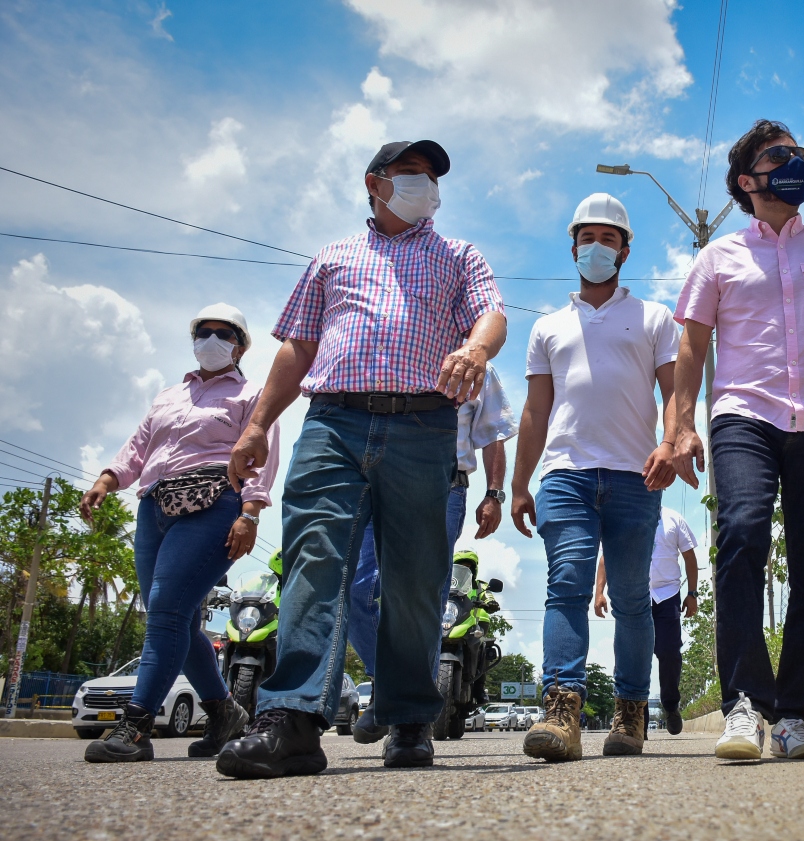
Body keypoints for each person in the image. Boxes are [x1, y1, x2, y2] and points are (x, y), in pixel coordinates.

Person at [216, 139, 506, 778]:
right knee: (314, 559)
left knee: (413, 579)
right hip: (334, 424)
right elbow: (298, 347)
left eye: (431, 177)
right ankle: (292, 718)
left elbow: (492, 315)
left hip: (422, 426)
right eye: (410, 174)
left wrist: (478, 351)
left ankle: (409, 721)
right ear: (374, 183)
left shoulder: (458, 255)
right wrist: (258, 423)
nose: (424, 185)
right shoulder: (332, 257)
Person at [671, 120, 804, 760]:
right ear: (747, 179)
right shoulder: (719, 256)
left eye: (798, 155)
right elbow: (691, 344)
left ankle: (791, 715)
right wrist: (680, 426)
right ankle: (744, 707)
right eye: (778, 156)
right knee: (740, 536)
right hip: (745, 415)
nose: (793, 164)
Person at [511, 193, 678, 762]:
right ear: (573, 246)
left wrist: (671, 442)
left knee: (632, 600)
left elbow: (675, 390)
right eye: (589, 238)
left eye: (610, 239)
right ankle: (562, 712)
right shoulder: (548, 327)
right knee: (568, 584)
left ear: (626, 251)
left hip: (637, 476)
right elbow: (535, 411)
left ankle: (631, 714)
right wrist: (517, 483)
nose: (597, 247)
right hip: (566, 474)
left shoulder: (654, 317)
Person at [78, 303, 279, 763]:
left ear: (241, 345)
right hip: (154, 508)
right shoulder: (170, 394)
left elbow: (262, 456)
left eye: (222, 333)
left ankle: (134, 727)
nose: (211, 340)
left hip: (214, 503)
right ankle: (223, 712)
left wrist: (250, 513)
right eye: (202, 332)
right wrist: (107, 480)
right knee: (179, 618)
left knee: (166, 611)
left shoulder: (254, 394)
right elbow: (139, 446)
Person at [350, 363, 516, 743]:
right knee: (357, 588)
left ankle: (411, 716)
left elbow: (494, 434)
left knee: (427, 595)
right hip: (379, 479)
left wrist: (494, 494)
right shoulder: (396, 350)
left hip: (446, 484)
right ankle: (391, 684)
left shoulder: (482, 369)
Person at [594, 506, 698, 735]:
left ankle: (671, 704)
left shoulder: (674, 519)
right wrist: (599, 592)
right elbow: (606, 558)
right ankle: (638, 715)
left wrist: (692, 594)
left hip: (667, 596)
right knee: (634, 654)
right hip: (634, 595)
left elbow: (689, 556)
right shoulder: (624, 515)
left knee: (669, 652)